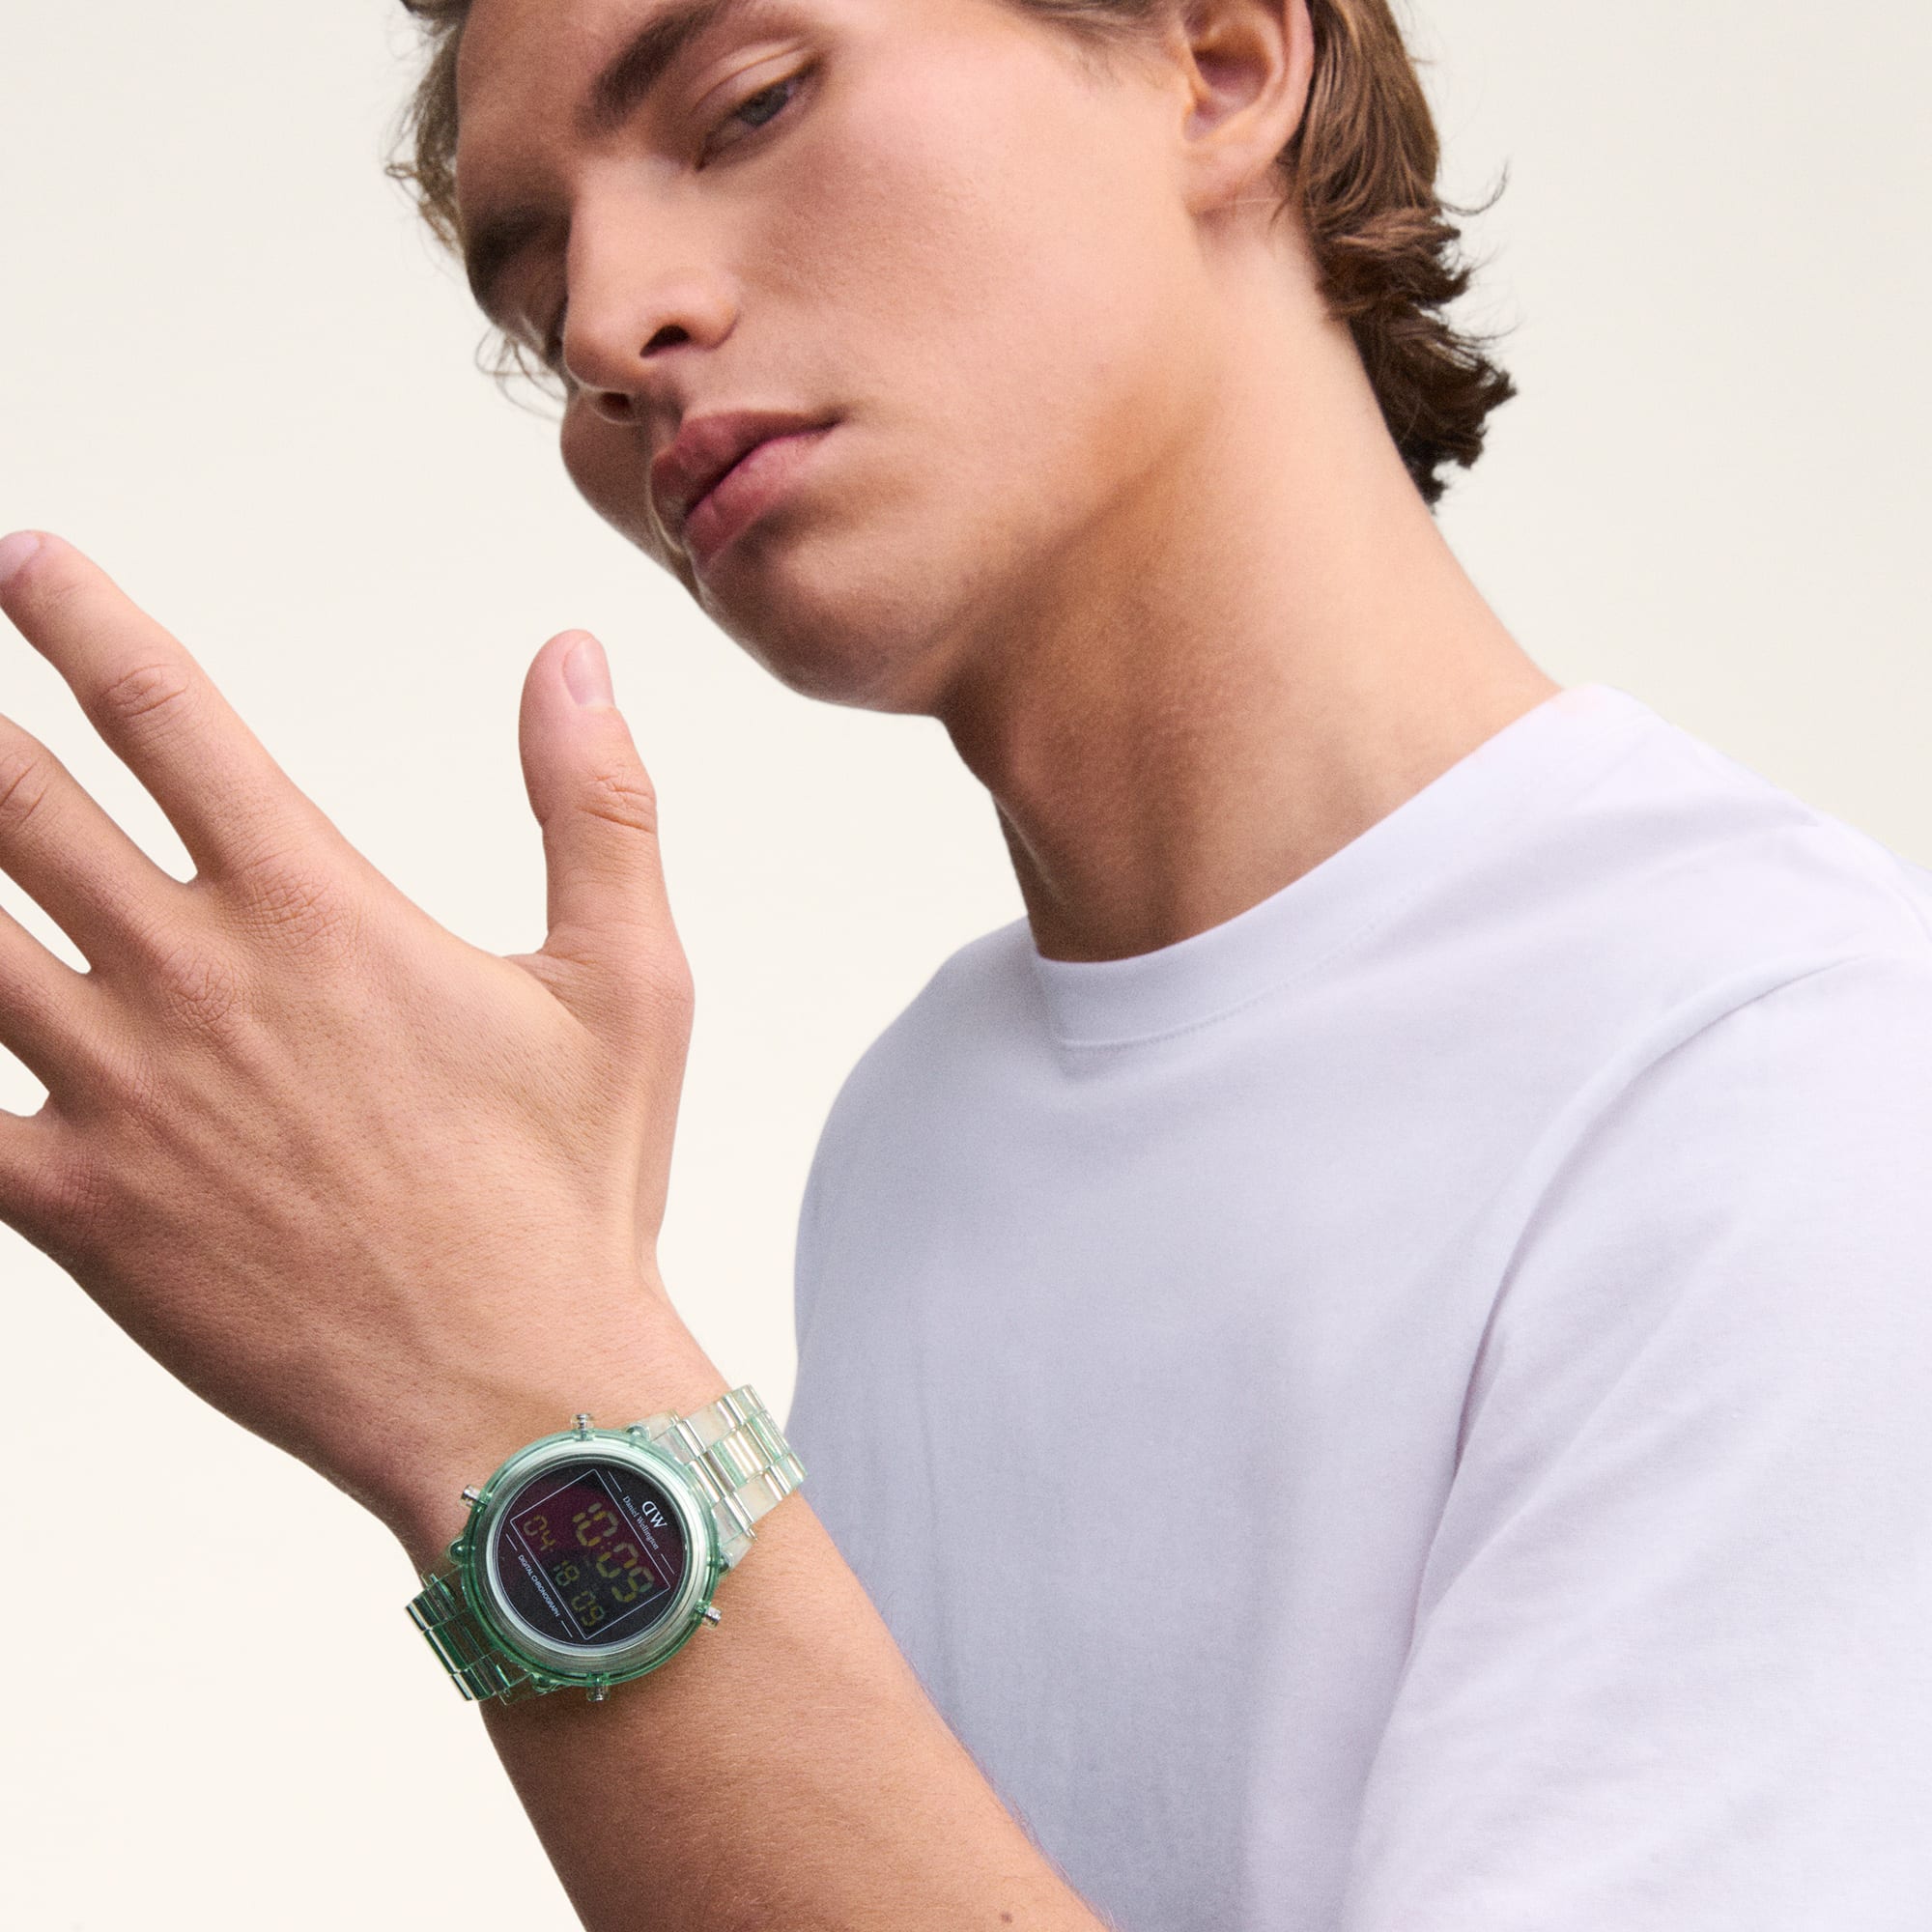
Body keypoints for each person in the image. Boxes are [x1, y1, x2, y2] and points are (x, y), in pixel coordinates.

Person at [0, 0, 1926, 1927]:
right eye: (537, 301)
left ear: (1220, 61)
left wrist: (508, 1377)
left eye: (749, 106)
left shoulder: (1794, 1085)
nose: (607, 331)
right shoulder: (922, 1125)